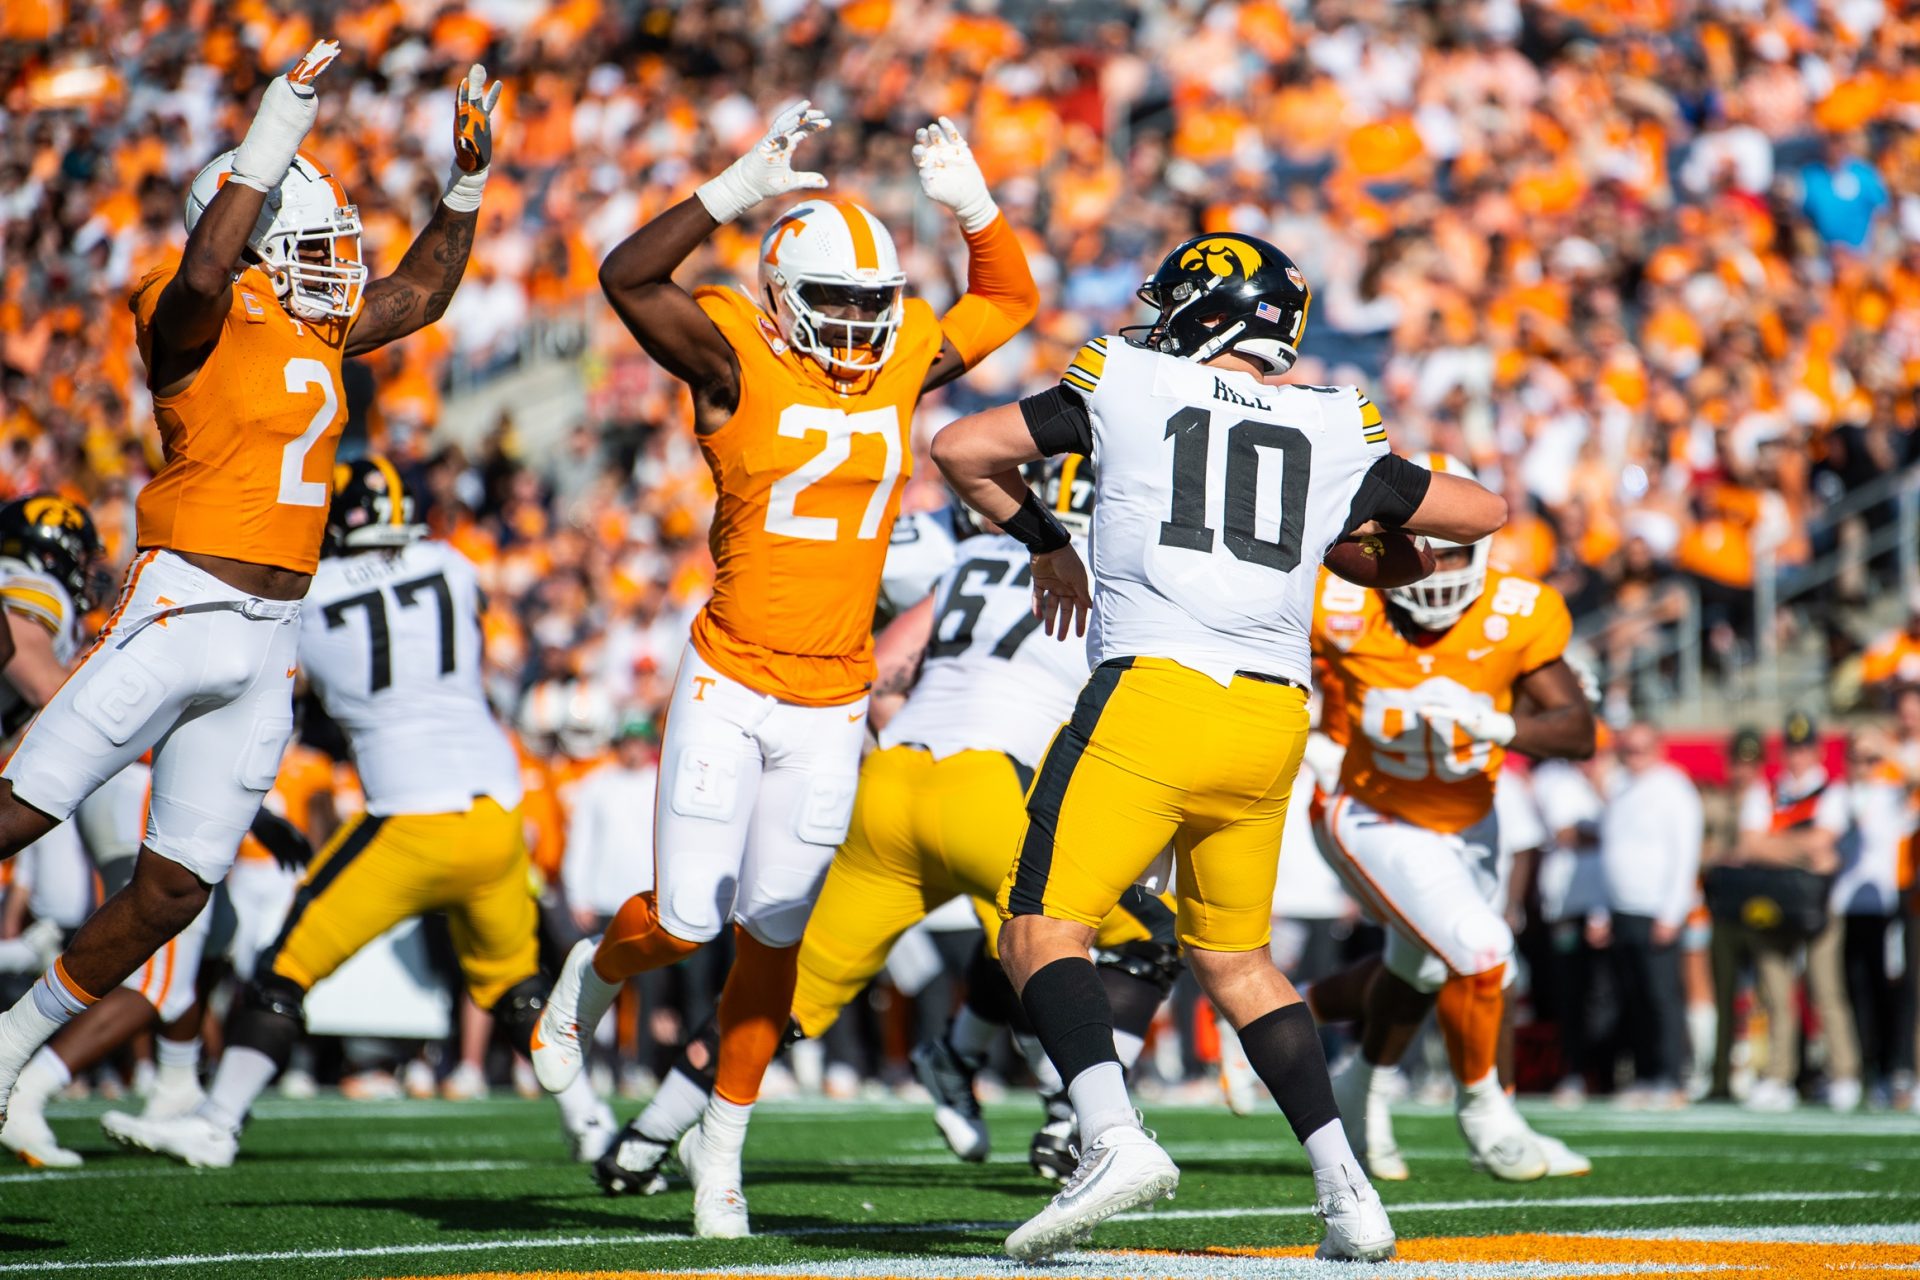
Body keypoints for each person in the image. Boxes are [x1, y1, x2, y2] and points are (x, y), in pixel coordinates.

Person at [931, 231, 1508, 1260]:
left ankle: (1110, 1134)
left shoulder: (1128, 382)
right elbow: (1482, 510)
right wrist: (1349, 524)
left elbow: (962, 448)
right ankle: (1348, 1192)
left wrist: (1048, 542)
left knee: (1037, 935)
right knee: (1238, 960)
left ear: (1205, 311)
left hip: (1153, 696)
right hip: (1270, 718)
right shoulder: (1336, 420)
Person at [530, 105, 1037, 1238]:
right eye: (840, 302)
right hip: (729, 674)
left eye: (874, 304)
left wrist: (974, 208)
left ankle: (722, 1158)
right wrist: (732, 188)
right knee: (686, 919)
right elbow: (626, 275)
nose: (860, 323)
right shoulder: (732, 353)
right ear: (779, 295)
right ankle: (581, 986)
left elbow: (1007, 298)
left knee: (773, 930)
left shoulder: (903, 354)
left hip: (836, 691)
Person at [0, 44, 498, 1123]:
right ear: (253, 240)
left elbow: (416, 293)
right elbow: (197, 276)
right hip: (182, 603)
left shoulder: (316, 320)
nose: (336, 265)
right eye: (311, 245)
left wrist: (463, 188)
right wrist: (275, 137)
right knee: (20, 809)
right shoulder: (190, 313)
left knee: (176, 888)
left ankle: (12, 1043)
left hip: (270, 629)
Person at [593, 459, 1182, 1195]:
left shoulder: (972, 554)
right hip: (993, 793)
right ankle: (1074, 1120)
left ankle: (642, 1142)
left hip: (891, 784)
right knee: (1141, 940)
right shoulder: (1129, 578)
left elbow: (890, 666)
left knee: (786, 998)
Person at [99, 459, 614, 1168]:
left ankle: (217, 1123)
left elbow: (283, 693)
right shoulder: (453, 563)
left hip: (410, 816)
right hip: (497, 812)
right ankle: (589, 1123)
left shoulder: (312, 595)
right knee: (517, 986)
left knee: (283, 973)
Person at [1304, 453, 1596, 1183]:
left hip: (1470, 818)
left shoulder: (1518, 609)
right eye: (1412, 543)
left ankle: (1358, 1086)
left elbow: (1579, 730)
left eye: (1447, 545)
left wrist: (1501, 728)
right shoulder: (1338, 601)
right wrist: (1303, 741)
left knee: (1425, 965)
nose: (1430, 563)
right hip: (1374, 809)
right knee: (1482, 946)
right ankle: (1485, 1114)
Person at [1596, 722, 1703, 1108]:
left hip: (1656, 909)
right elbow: (1610, 850)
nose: (1634, 757)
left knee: (1662, 997)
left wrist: (1673, 910)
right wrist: (1601, 909)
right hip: (1622, 908)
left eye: (1641, 749)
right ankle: (1643, 1074)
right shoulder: (1621, 786)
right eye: (1629, 750)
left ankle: (1671, 1076)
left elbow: (1684, 853)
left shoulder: (1673, 788)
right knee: (1633, 998)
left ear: (1659, 748)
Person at [1807, 727, 1906, 1110]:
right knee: (1850, 991)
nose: (1862, 767)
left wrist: (1886, 750)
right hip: (1844, 905)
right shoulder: (1838, 794)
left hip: (1884, 903)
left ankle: (1890, 1069)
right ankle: (1857, 1070)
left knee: (1889, 993)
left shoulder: (1891, 791)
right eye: (1856, 758)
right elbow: (1822, 837)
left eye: (1870, 759)